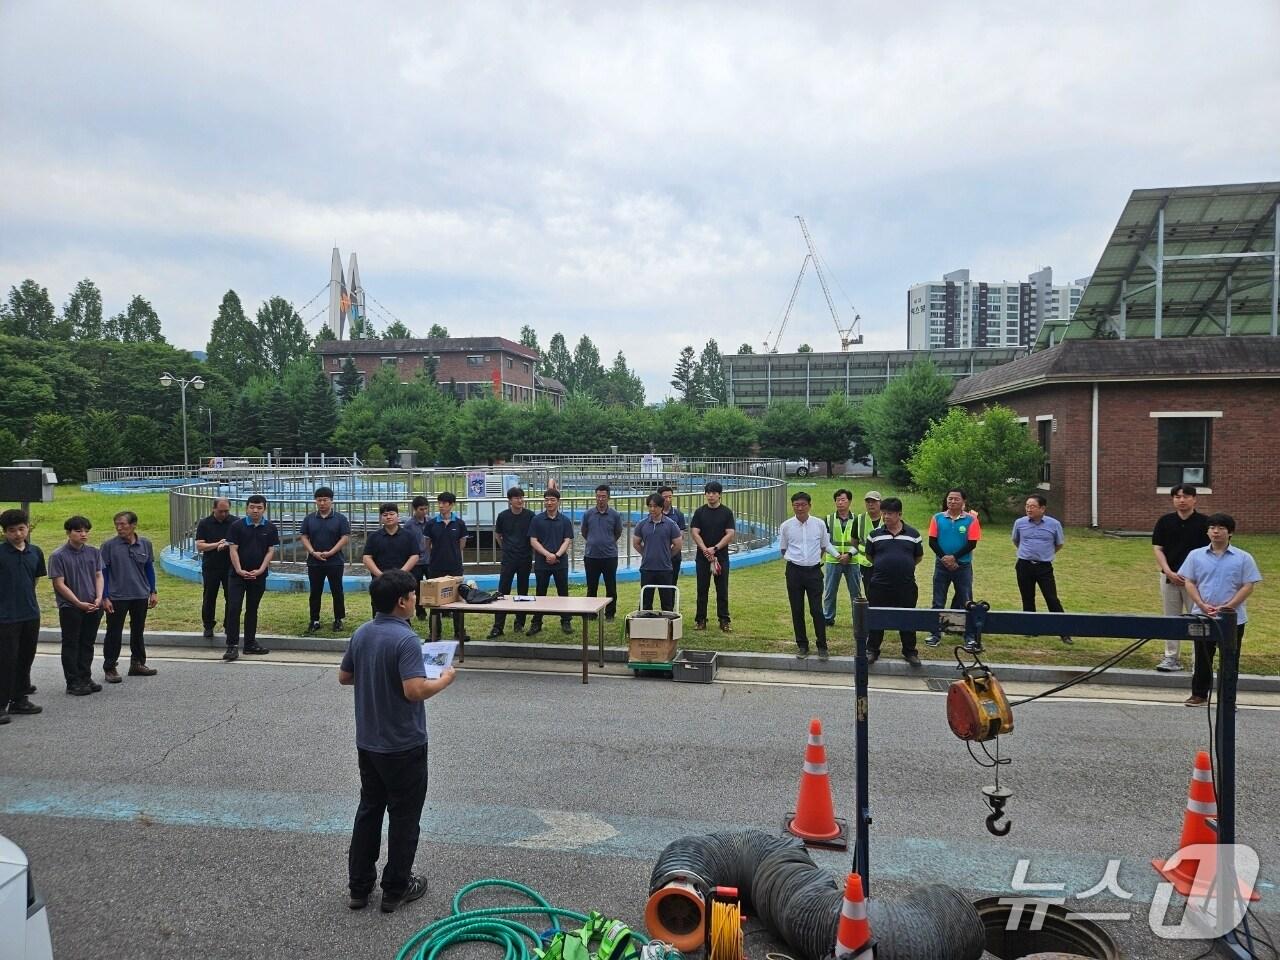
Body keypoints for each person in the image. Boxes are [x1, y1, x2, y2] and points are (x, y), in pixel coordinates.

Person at [339, 568, 456, 913]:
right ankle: (396, 887)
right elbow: (414, 690)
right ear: (402, 601)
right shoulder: (406, 640)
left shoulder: (362, 633)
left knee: (369, 810)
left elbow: (345, 676)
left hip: (369, 742)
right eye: (414, 595)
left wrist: (377, 671)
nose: (416, 600)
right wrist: (445, 679)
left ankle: (359, 887)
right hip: (403, 744)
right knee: (404, 816)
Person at [1179, 513, 1263, 707]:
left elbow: (1248, 585)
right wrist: (1200, 604)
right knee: (1202, 657)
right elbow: (1189, 581)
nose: (1216, 532)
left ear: (1230, 532)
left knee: (1230, 659)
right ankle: (1199, 694)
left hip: (1233, 618)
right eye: (1212, 528)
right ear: (1207, 531)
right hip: (1203, 616)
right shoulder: (1195, 555)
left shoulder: (1243, 557)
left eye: (1221, 528)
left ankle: (1228, 699)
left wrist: (1229, 606)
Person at [1151, 483, 1211, 673]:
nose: (1181, 500)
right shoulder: (1165, 521)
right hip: (1170, 577)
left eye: (1186, 496)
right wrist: (1168, 571)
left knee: (1197, 619)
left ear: (1194, 499)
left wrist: (1192, 576)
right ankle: (1171, 657)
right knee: (1171, 618)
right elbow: (1158, 548)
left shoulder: (1205, 523)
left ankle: (1198, 662)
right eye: (1177, 497)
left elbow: (1209, 552)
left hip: (1195, 581)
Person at [778, 491, 840, 660]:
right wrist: (796, 560)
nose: (799, 508)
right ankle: (802, 645)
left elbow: (825, 545)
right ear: (792, 507)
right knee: (797, 609)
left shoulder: (819, 524)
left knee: (817, 610)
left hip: (813, 572)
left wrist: (838, 556)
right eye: (796, 505)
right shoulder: (786, 526)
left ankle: (822, 646)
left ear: (809, 506)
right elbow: (783, 549)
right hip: (794, 572)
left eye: (803, 505)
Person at [864, 497, 924, 667]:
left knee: (907, 618)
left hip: (905, 585)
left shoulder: (913, 535)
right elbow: (870, 556)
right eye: (884, 513)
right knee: (876, 617)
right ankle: (872, 650)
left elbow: (918, 557)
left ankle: (910, 651)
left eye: (889, 513)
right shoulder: (874, 535)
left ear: (900, 514)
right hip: (879, 585)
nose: (885, 517)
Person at [48, 516, 105, 696]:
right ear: (69, 532)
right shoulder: (58, 556)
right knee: (71, 643)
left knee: (87, 643)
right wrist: (78, 603)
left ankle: (85, 676)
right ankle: (72, 681)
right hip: (70, 607)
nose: (83, 534)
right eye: (78, 531)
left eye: (86, 531)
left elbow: (99, 575)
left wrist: (99, 598)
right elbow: (59, 583)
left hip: (93, 604)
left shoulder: (94, 552)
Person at [100, 510, 158, 682]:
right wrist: (105, 596)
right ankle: (110, 667)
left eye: (123, 524)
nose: (119, 528)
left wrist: (153, 591)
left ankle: (138, 663)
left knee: (138, 630)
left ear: (133, 525)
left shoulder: (145, 544)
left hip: (140, 593)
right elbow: (103, 572)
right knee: (114, 632)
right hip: (117, 596)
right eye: (116, 524)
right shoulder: (109, 546)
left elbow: (149, 568)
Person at [1, 508, 45, 722]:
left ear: (27, 528)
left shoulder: (35, 552)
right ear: (4, 533)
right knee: (6, 661)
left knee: (25, 658)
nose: (18, 534)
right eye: (12, 530)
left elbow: (34, 581)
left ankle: (19, 699)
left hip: (30, 614)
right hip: (5, 617)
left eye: (21, 529)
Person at [224, 494, 280, 662]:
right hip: (237, 576)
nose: (255, 510)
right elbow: (233, 549)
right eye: (252, 507)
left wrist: (261, 569)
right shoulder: (237, 526)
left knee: (252, 609)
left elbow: (271, 550)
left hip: (258, 575)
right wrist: (239, 570)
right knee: (234, 608)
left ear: (264, 509)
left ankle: (249, 643)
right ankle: (232, 645)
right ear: (246, 508)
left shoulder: (270, 528)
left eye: (259, 508)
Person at [925, 489, 982, 647]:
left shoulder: (971, 520)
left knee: (966, 601)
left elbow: (972, 543)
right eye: (950, 499)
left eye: (956, 499)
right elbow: (932, 541)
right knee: (938, 601)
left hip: (962, 566)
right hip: (941, 566)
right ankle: (935, 634)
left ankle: (969, 636)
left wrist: (954, 557)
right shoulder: (937, 518)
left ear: (963, 501)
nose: (952, 501)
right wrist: (945, 558)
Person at [1011, 494, 1070, 644]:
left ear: (1042, 508)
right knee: (1027, 597)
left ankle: (1064, 631)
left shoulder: (1054, 524)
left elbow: (1059, 544)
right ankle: (1031, 629)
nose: (1028, 509)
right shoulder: (1020, 523)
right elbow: (1016, 540)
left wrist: (1044, 555)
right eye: (1027, 506)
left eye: (1032, 506)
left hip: (1044, 567)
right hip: (1024, 565)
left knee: (1051, 598)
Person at [301, 487, 352, 633]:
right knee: (315, 591)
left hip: (335, 560)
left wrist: (331, 552)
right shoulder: (310, 518)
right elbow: (304, 536)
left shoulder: (340, 518)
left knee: (337, 590)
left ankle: (338, 619)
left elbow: (345, 537)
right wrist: (312, 552)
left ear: (331, 501)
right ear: (315, 501)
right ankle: (314, 619)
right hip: (314, 561)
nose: (322, 503)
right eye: (319, 500)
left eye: (325, 500)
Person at [364, 503, 426, 620]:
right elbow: (367, 557)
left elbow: (414, 556)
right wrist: (381, 575)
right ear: (381, 517)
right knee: (379, 611)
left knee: (403, 609)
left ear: (398, 516)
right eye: (385, 514)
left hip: (402, 581)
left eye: (392, 514)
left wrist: (400, 574)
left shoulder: (408, 535)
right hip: (380, 581)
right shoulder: (374, 536)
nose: (388, 517)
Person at [528, 489, 575, 635]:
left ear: (558, 502)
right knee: (540, 593)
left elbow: (567, 540)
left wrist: (557, 555)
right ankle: (536, 623)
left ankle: (566, 621)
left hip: (560, 562)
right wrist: (548, 554)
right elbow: (533, 540)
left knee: (563, 592)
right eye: (547, 499)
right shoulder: (537, 519)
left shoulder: (565, 520)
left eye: (552, 500)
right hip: (542, 562)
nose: (549, 502)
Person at [690, 481, 736, 632]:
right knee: (702, 589)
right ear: (705, 494)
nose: (711, 495)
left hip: (721, 557)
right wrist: (705, 550)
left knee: (722, 590)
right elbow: (694, 532)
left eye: (714, 493)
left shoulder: (727, 513)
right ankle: (700, 620)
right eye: (708, 493)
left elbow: (730, 533)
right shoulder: (699, 512)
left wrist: (715, 548)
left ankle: (724, 620)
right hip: (702, 557)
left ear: (719, 495)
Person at [423, 493, 468, 641]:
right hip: (436, 566)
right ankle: (435, 632)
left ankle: (459, 631)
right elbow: (427, 544)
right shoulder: (431, 524)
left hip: (455, 566)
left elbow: (462, 544)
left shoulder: (459, 523)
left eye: (445, 503)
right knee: (434, 601)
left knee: (458, 599)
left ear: (451, 504)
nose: (441, 506)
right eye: (439, 503)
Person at [491, 487, 533, 638]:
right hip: (508, 559)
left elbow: (533, 536)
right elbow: (498, 535)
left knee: (523, 591)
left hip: (525, 558)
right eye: (516, 498)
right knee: (502, 591)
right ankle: (498, 626)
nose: (520, 500)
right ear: (509, 500)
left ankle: (520, 623)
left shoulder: (530, 515)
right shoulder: (503, 516)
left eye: (522, 497)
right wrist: (506, 548)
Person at [821, 489, 866, 628]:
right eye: (837, 500)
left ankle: (857, 619)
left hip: (852, 560)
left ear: (850, 501)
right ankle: (828, 617)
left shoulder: (858, 519)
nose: (840, 503)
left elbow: (859, 540)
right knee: (829, 591)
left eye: (843, 500)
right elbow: (825, 541)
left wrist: (849, 555)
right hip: (833, 560)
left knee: (855, 592)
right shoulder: (828, 519)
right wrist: (837, 555)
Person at [195, 498, 236, 639]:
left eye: (226, 511)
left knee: (231, 597)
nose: (224, 514)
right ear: (213, 509)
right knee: (209, 597)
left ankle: (229, 625)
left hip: (230, 566)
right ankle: (208, 625)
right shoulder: (205, 523)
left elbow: (239, 542)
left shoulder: (235, 522)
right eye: (220, 511)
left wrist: (227, 544)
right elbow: (200, 546)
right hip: (211, 566)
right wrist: (216, 544)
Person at [633, 493, 683, 612]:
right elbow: (636, 543)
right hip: (647, 568)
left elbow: (678, 545)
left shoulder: (671, 525)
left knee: (667, 603)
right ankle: (644, 625)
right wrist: (646, 554)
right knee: (645, 602)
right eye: (650, 506)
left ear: (661, 507)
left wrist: (666, 556)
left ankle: (668, 627)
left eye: (655, 506)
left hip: (665, 569)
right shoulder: (642, 524)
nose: (652, 509)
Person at [580, 484, 623, 623]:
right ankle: (592, 613)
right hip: (591, 556)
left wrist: (607, 542)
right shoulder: (588, 514)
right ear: (595, 497)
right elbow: (584, 532)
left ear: (608, 497)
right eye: (598, 496)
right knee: (591, 587)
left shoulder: (615, 515)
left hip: (609, 556)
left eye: (603, 496)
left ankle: (610, 613)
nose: (600, 499)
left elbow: (618, 532)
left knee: (611, 587)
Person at [406, 496, 433, 621]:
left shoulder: (431, 522)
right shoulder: (409, 525)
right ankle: (420, 611)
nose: (424, 512)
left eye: (426, 509)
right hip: (416, 561)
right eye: (421, 509)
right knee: (416, 587)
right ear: (415, 509)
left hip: (430, 559)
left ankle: (439, 609)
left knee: (434, 585)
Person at [658, 485, 687, 584]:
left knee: (672, 583)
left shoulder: (679, 515)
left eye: (670, 496)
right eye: (665, 497)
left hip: (674, 555)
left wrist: (672, 547)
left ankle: (671, 599)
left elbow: (681, 534)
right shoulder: (654, 514)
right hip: (658, 555)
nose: (668, 499)